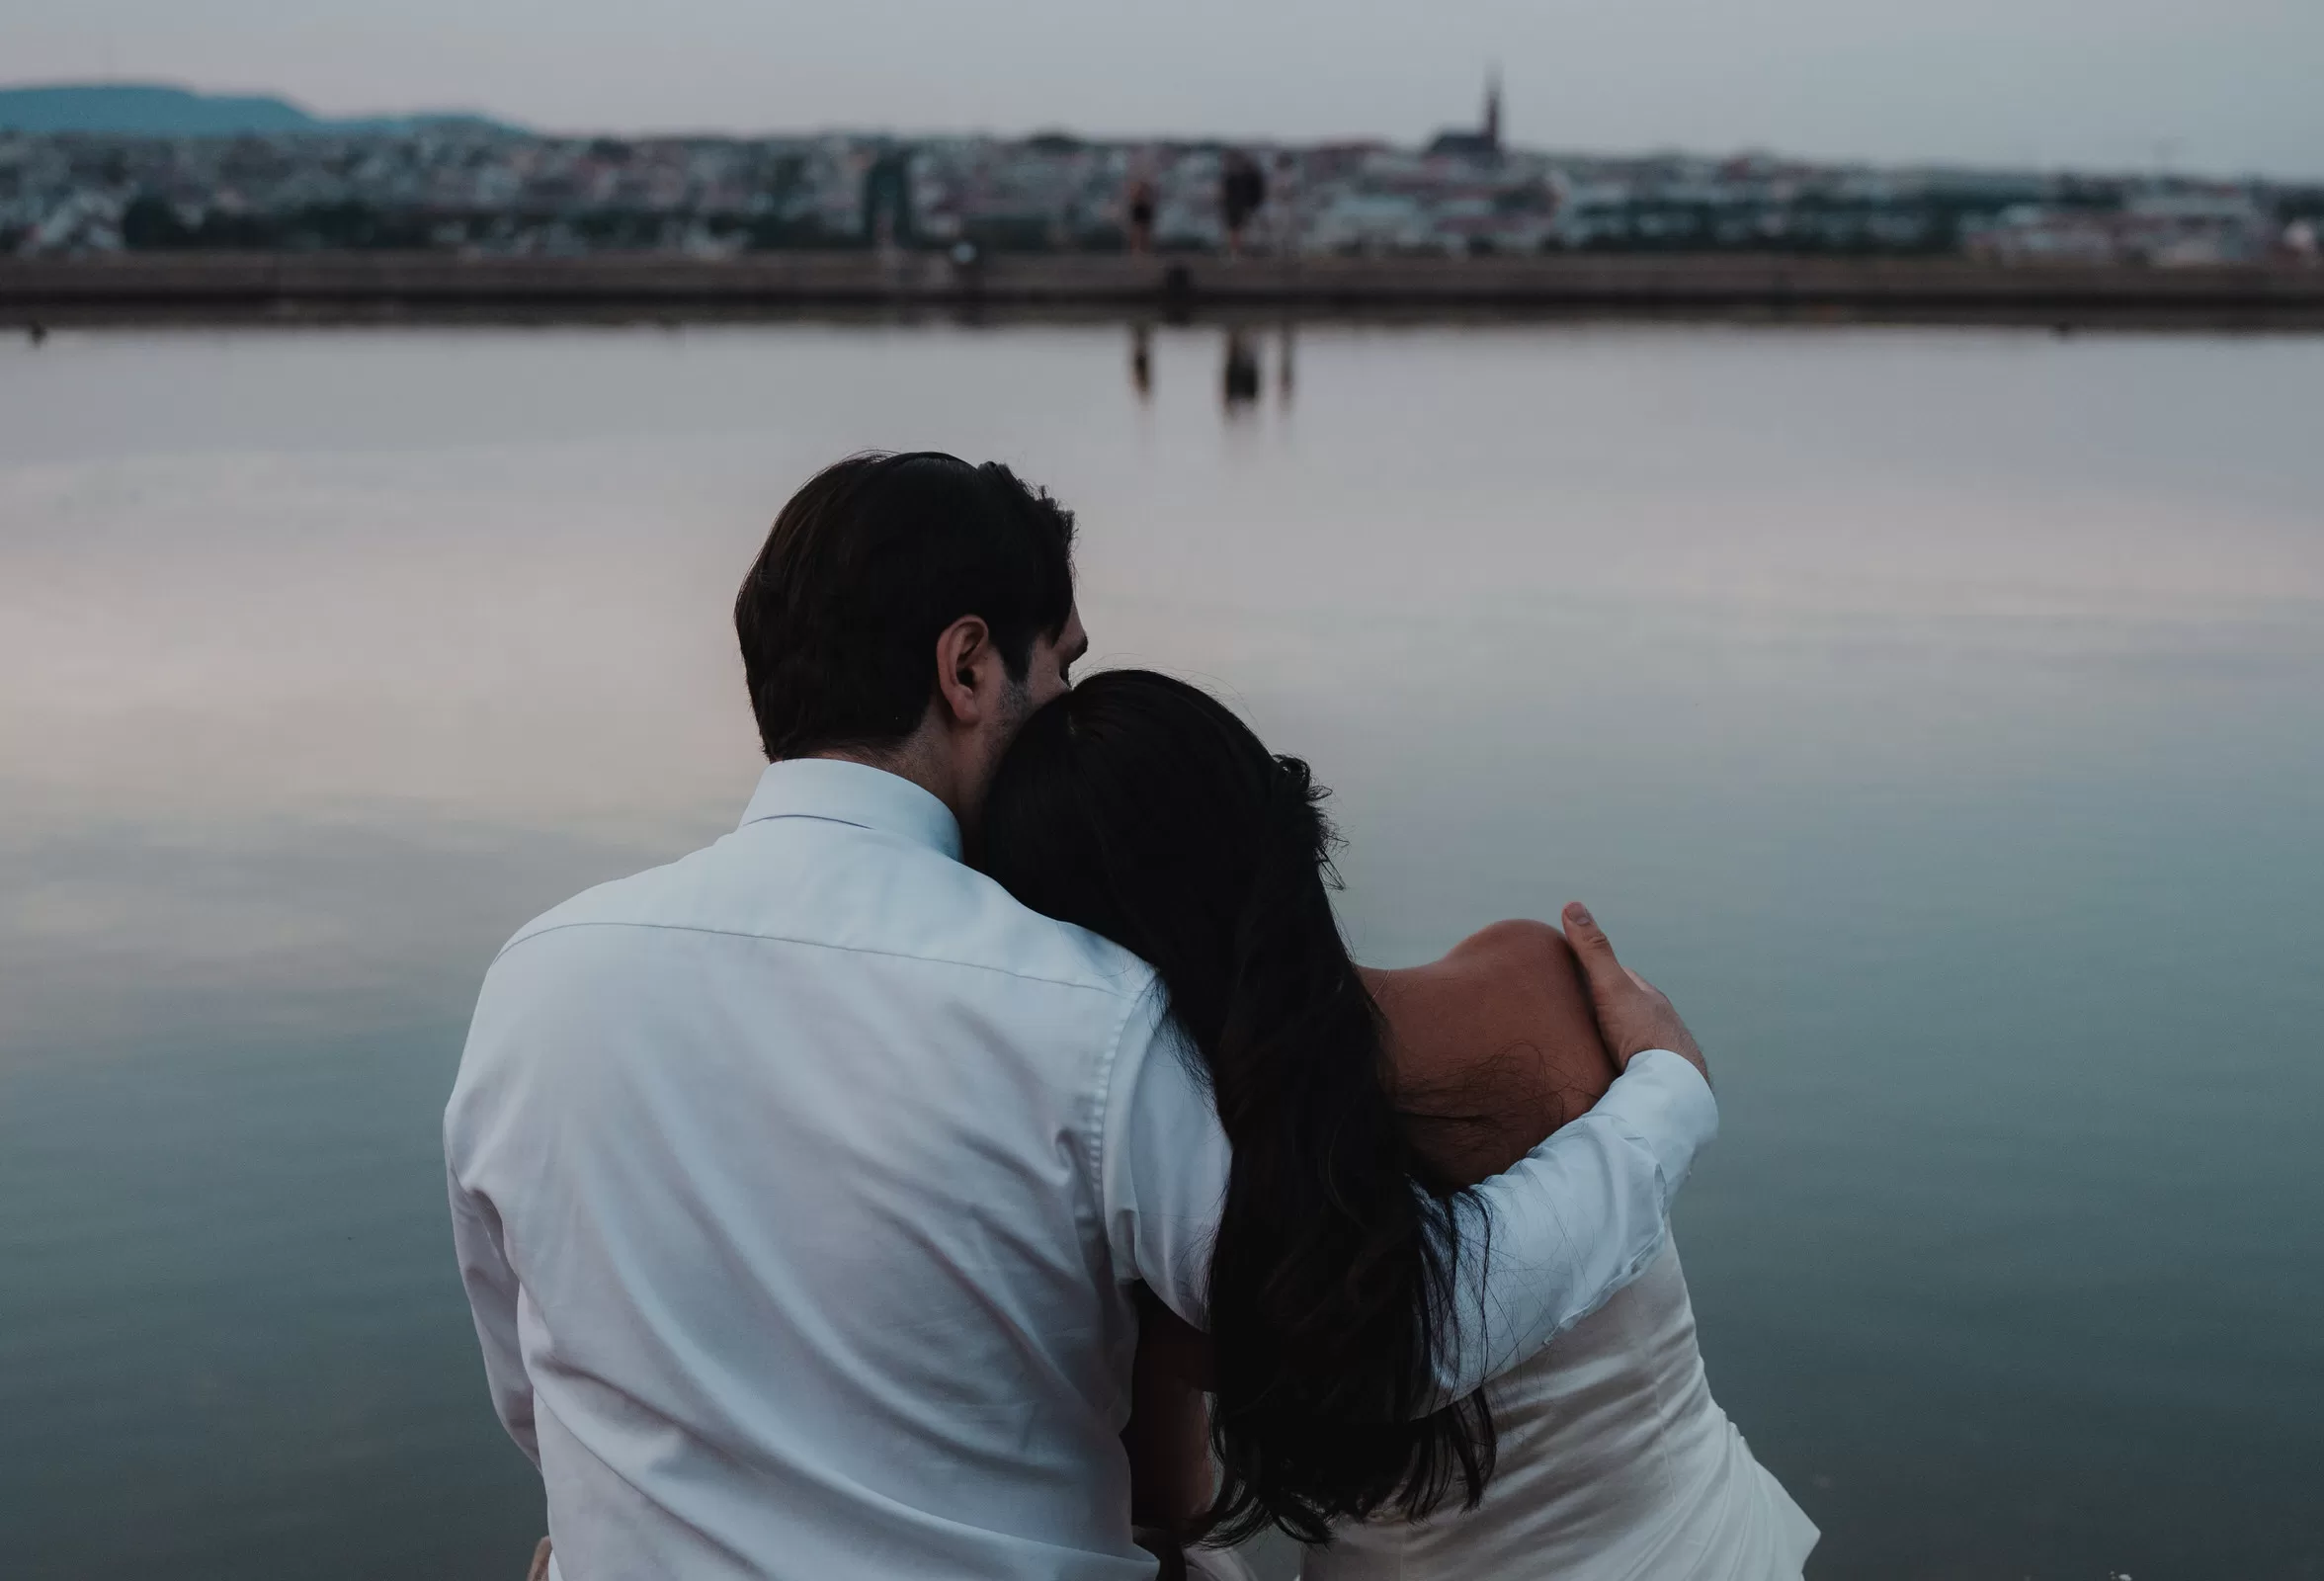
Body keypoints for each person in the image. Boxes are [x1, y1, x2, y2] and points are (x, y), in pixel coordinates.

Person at [444, 452, 1718, 1580]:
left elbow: (534, 1400)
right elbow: (1381, 1342)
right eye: (1063, 667)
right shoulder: (1084, 1011)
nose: (1068, 713)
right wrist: (1663, 1095)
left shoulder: (537, 976)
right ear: (966, 664)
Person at [977, 670, 1815, 1578]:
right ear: (1277, 830)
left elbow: (1169, 1512)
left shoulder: (1168, 1205)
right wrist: (1670, 1078)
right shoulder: (1531, 980)